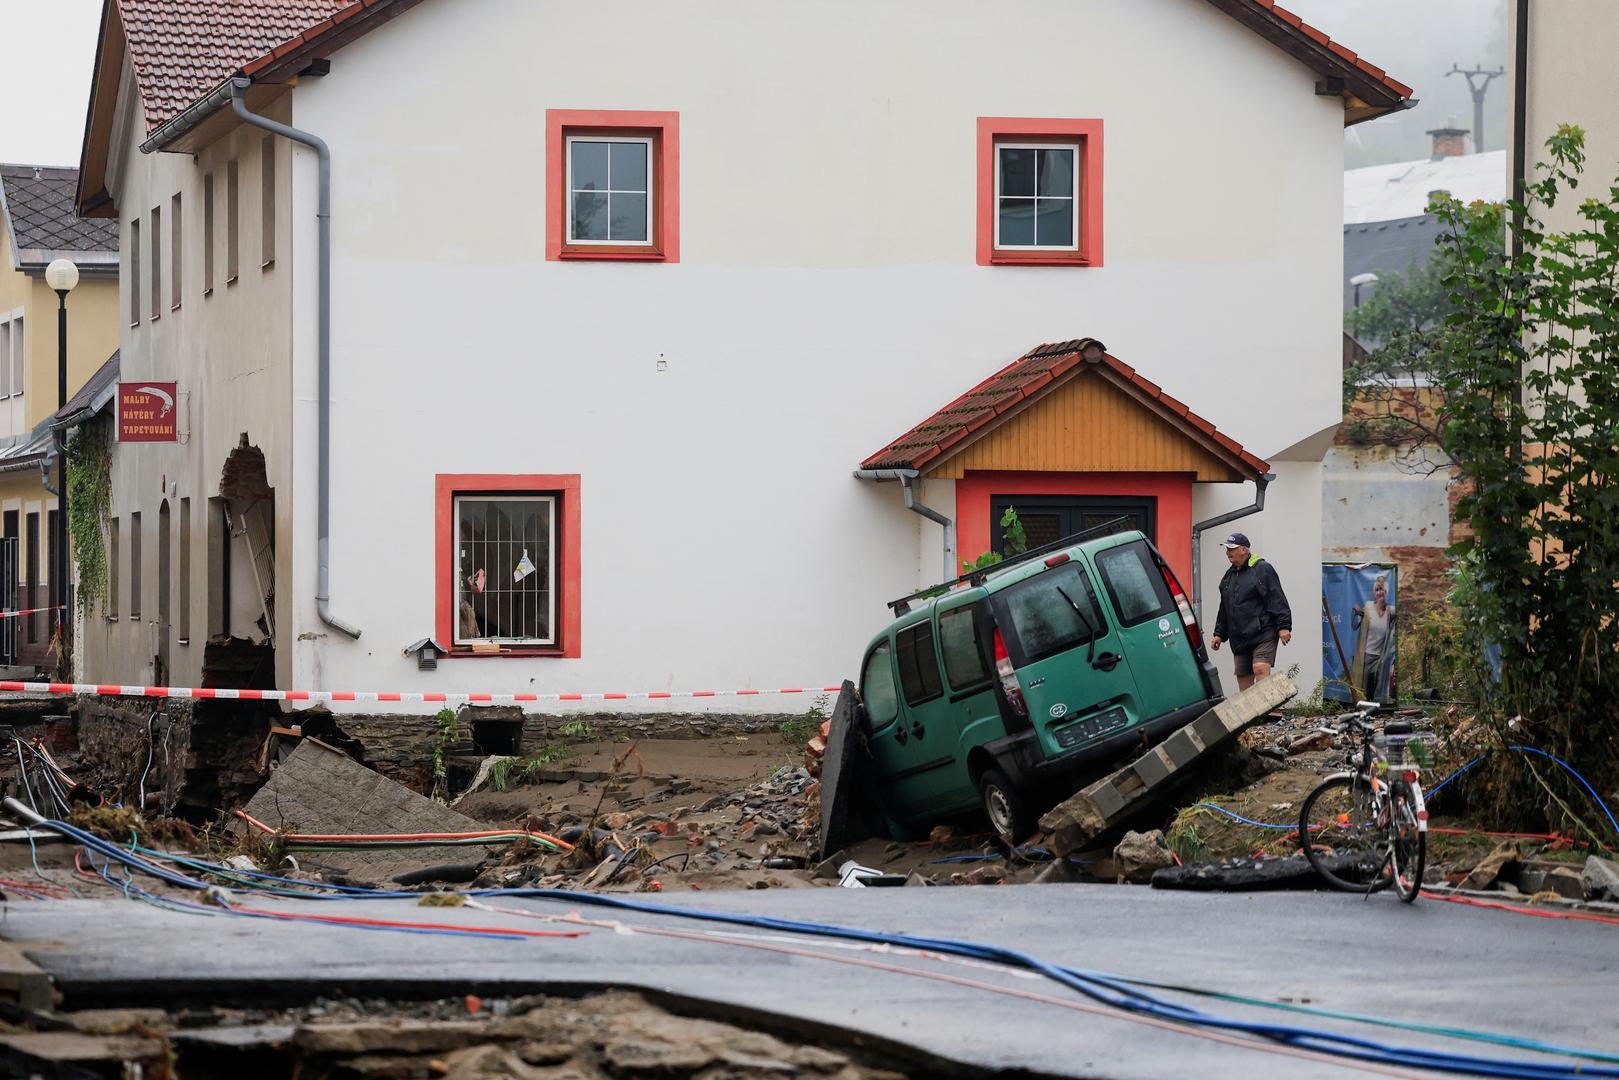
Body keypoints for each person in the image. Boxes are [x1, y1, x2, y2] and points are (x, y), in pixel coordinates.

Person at [1209, 532, 1292, 691]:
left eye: (1231, 549)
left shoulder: (1262, 569)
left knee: (1260, 668)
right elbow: (1225, 607)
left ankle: (1266, 709)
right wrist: (1219, 633)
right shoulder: (1229, 576)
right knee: (1244, 680)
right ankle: (1255, 716)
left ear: (1244, 550)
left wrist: (1283, 626)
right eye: (1227, 549)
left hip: (1263, 632)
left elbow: (1276, 597)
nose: (1228, 552)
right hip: (1239, 636)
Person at [1351, 574, 1395, 700]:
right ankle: (1363, 706)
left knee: (1376, 682)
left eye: (1382, 589)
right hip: (1367, 654)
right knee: (1364, 684)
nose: (1379, 592)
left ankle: (1374, 705)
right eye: (1377, 590)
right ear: (1374, 592)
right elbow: (1355, 625)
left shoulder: (1390, 610)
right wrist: (1357, 613)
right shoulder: (1368, 606)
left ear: (1386, 592)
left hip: (1381, 657)